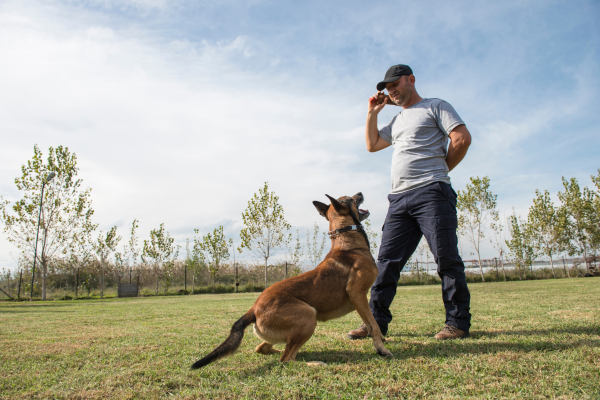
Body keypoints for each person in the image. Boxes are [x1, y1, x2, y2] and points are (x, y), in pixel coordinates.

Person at [348, 64, 472, 340]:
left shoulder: (435, 106)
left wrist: (438, 173)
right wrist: (372, 113)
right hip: (399, 199)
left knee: (446, 259)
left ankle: (457, 322)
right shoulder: (397, 121)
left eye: (395, 84)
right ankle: (374, 323)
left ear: (411, 80)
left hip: (431, 193)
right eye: (387, 87)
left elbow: (461, 139)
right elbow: (372, 144)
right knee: (386, 262)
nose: (391, 90)